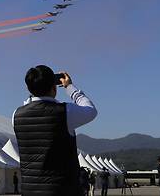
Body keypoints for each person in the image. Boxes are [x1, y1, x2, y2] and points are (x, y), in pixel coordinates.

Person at [13, 66, 97, 196]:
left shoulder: (16, 115)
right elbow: (90, 110)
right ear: (54, 87)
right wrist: (70, 88)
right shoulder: (65, 112)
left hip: (29, 190)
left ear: (28, 88)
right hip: (62, 190)